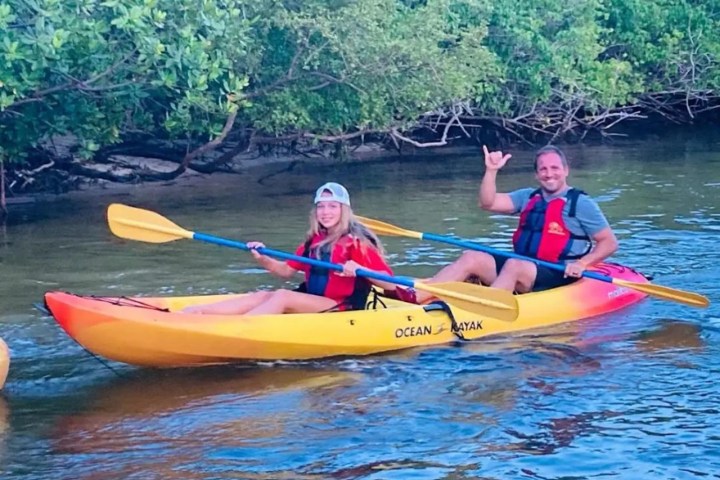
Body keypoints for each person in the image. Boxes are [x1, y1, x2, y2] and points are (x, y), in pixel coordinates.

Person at [397, 145, 618, 303]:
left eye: (554, 168)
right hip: (525, 268)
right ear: (536, 174)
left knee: (514, 264)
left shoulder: (581, 203)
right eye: (543, 169)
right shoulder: (527, 197)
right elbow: (488, 202)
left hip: (557, 272)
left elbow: (609, 242)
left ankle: (483, 311)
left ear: (565, 170)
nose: (549, 174)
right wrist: (491, 171)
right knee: (471, 256)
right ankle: (416, 297)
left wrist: (582, 263)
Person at [184, 182, 395, 315]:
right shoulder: (314, 241)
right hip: (317, 302)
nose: (325, 212)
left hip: (342, 308)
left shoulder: (356, 242)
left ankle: (237, 329)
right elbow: (285, 271)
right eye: (321, 206)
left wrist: (359, 268)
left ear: (344, 210)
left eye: (332, 206)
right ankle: (195, 313)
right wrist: (262, 257)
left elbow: (390, 284)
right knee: (264, 295)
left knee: (283, 296)